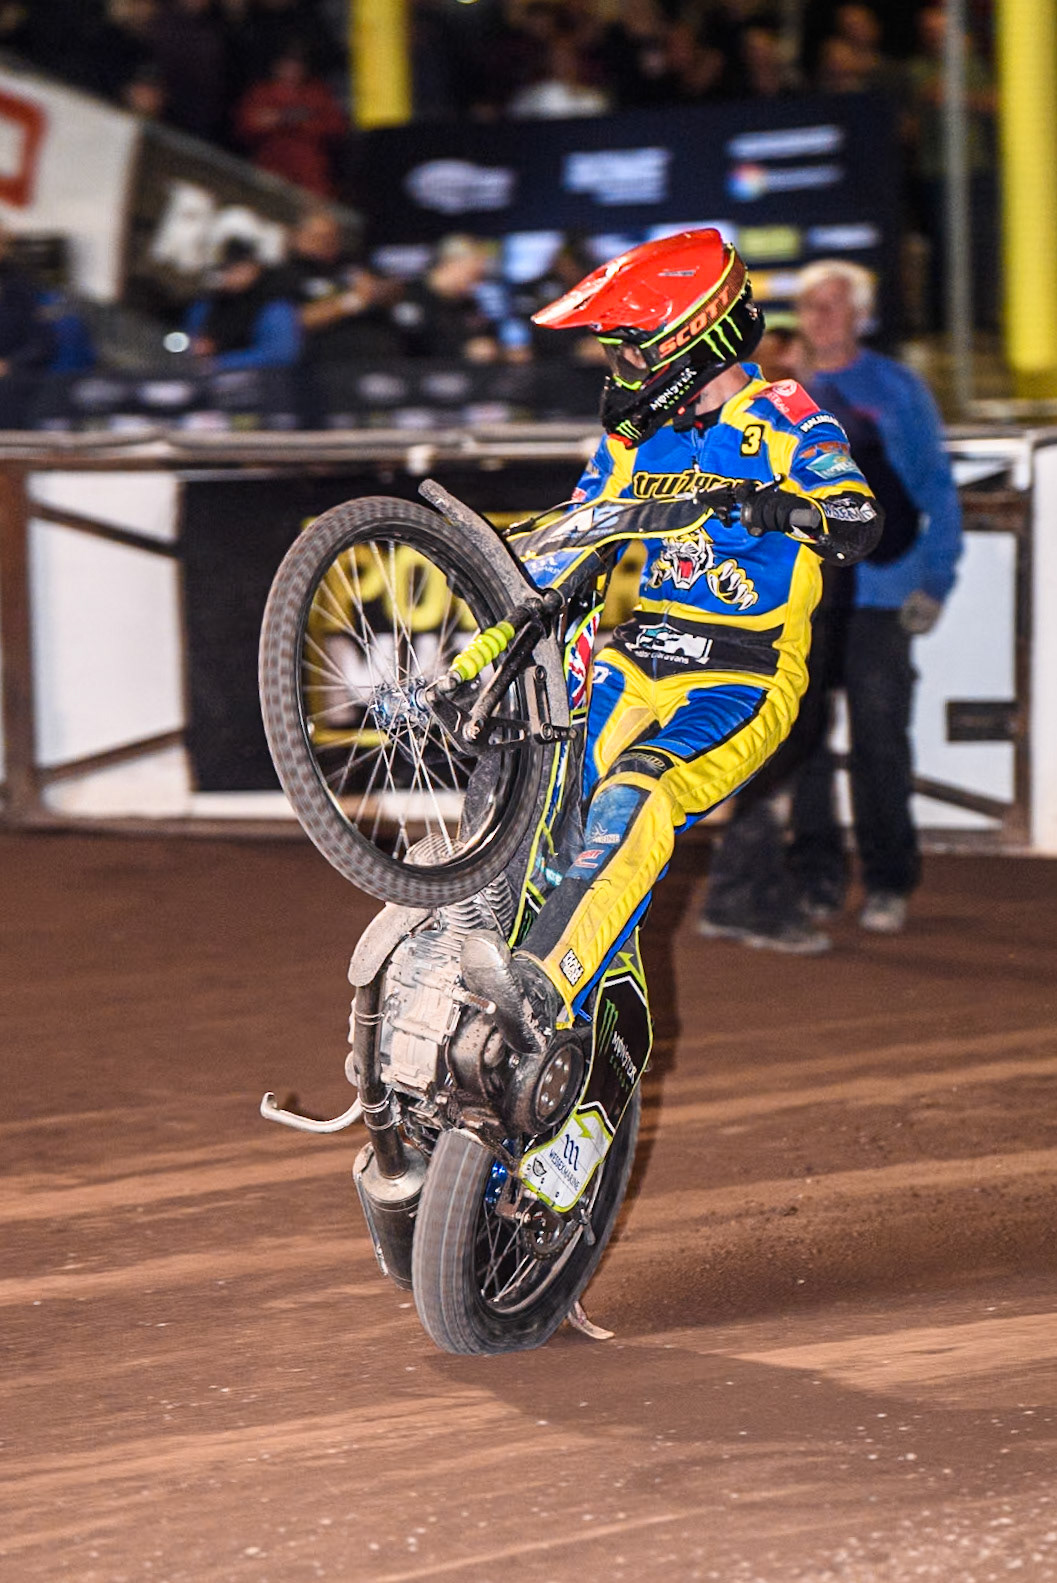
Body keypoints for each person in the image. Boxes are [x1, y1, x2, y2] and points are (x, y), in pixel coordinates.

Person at [459, 228, 882, 1058]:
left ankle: (540, 987)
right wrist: (493, 619)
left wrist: (781, 507)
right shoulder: (635, 437)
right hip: (637, 653)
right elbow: (575, 536)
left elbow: (857, 515)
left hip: (742, 675)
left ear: (688, 343)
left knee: (637, 791)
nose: (617, 372)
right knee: (538, 794)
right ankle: (462, 967)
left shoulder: (783, 416)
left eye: (627, 352)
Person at [784, 258, 963, 934]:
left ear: (860, 313)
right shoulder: (780, 394)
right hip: (801, 597)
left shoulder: (897, 389)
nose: (820, 316)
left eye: (833, 304)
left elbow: (936, 488)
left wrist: (936, 580)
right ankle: (816, 876)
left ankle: (889, 877)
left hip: (882, 592)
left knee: (879, 737)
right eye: (809, 304)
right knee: (798, 741)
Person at [183, 237, 301, 371]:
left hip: (257, 381)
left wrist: (221, 363)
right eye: (226, 269)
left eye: (240, 268)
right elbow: (191, 336)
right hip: (205, 376)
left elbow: (280, 354)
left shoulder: (274, 306)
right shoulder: (209, 302)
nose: (232, 275)